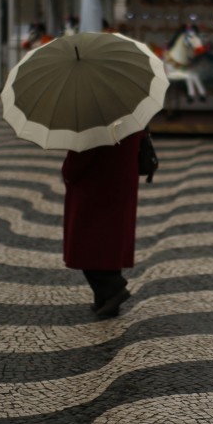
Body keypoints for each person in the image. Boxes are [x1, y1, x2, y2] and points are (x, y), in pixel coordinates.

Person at [61, 130, 145, 318]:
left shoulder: (92, 115)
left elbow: (82, 152)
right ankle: (104, 299)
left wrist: (67, 171)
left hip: (95, 183)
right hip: (121, 178)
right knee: (110, 240)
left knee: (85, 241)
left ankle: (113, 288)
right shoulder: (130, 110)